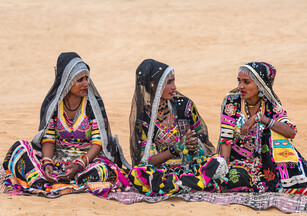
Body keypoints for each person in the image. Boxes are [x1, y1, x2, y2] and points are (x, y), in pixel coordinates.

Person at [3, 52, 130, 197]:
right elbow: (48, 139)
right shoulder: (54, 106)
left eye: (86, 78)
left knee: (103, 170)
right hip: (57, 160)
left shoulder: (91, 106)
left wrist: (79, 165)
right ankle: (52, 179)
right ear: (67, 81)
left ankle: (50, 182)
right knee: (19, 148)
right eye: (79, 80)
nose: (85, 83)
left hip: (86, 163)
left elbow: (97, 142)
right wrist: (47, 164)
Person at [217, 62, 307, 196]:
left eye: (246, 82)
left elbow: (290, 132)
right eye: (239, 81)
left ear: (260, 84)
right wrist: (223, 172)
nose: (241, 86)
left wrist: (261, 118)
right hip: (239, 162)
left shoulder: (271, 104)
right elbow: (226, 140)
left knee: (275, 132)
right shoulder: (232, 102)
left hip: (266, 162)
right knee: (235, 178)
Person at [128, 59, 228, 196]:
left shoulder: (185, 106)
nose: (174, 87)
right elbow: (148, 160)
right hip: (162, 170)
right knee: (137, 173)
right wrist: (176, 148)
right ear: (153, 86)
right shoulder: (144, 118)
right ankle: (192, 184)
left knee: (218, 162)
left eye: (173, 81)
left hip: (190, 165)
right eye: (168, 82)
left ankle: (178, 185)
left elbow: (202, 136)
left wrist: (194, 143)